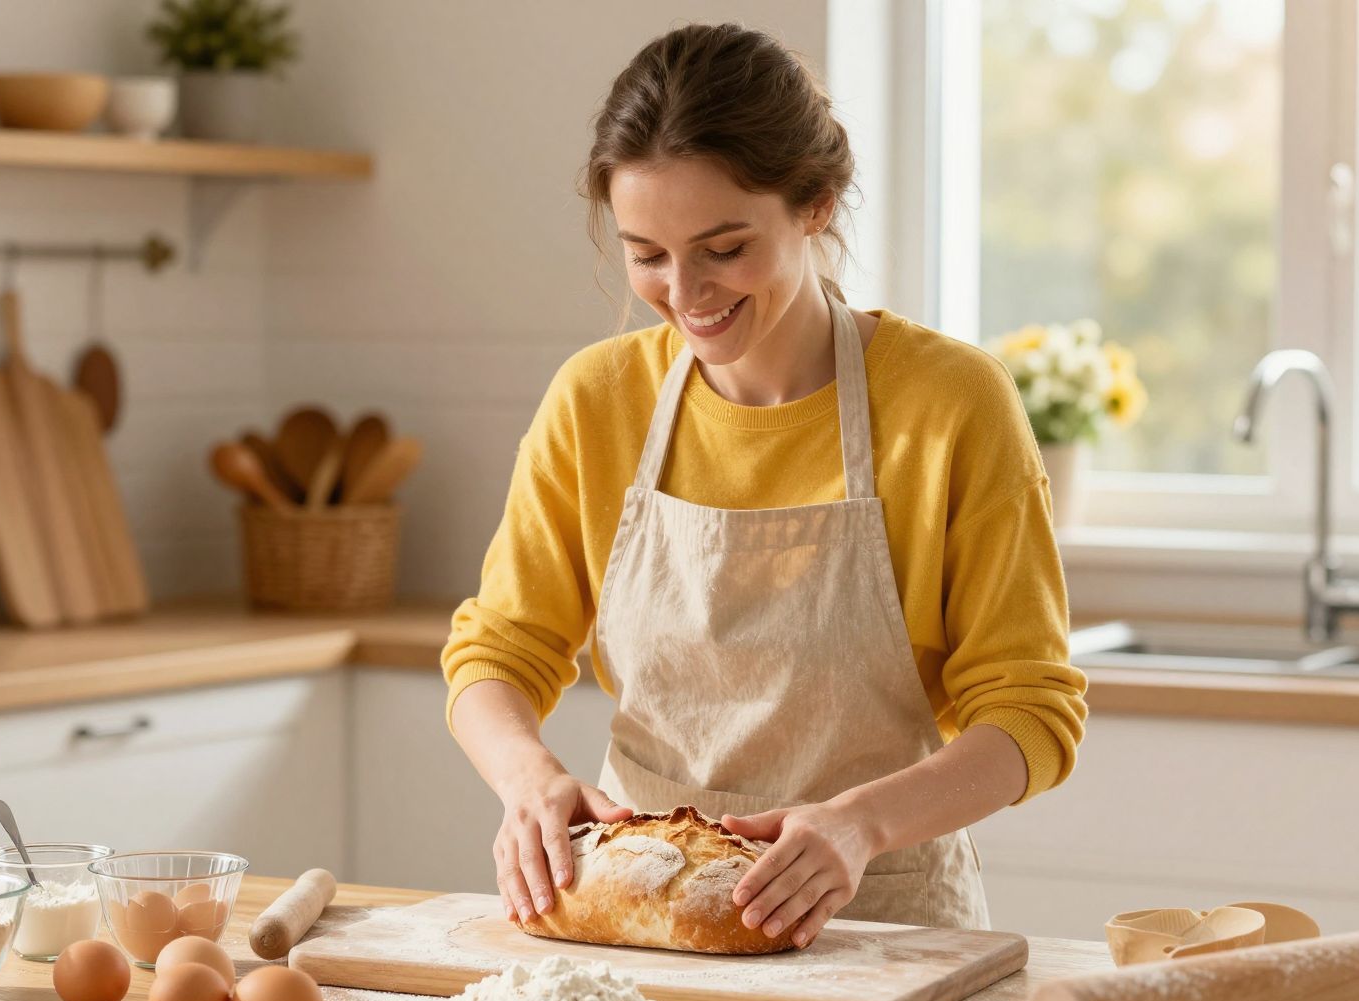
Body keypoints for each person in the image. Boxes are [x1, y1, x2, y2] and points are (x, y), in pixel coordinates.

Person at [442, 22, 1087, 947]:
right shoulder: (597, 400)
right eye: (647, 254)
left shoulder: (950, 402)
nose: (685, 291)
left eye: (724, 247)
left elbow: (1031, 711)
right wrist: (529, 780)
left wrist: (859, 824)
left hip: (883, 922)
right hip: (640, 906)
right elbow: (497, 653)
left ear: (816, 204)